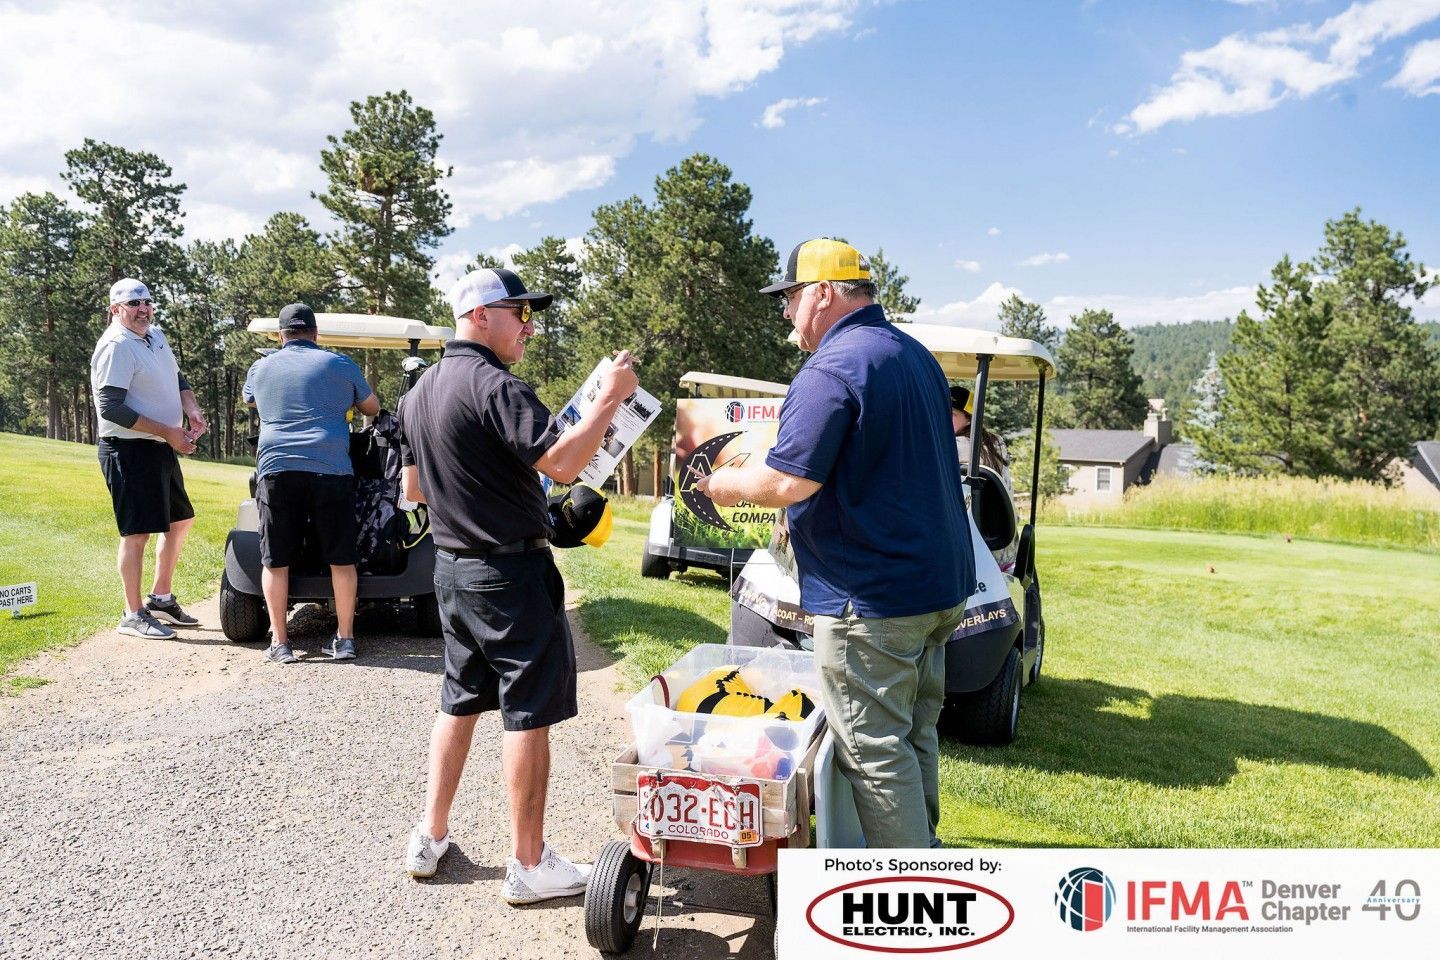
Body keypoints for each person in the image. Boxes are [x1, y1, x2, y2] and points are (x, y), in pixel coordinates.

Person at [698, 238, 975, 849]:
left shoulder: (831, 368)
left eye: (791, 298)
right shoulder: (913, 355)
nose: (787, 314)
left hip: (872, 599)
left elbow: (786, 480)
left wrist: (718, 483)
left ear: (822, 293)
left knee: (873, 751)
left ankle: (907, 899)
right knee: (913, 733)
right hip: (938, 586)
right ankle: (925, 851)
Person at [397, 267, 637, 902]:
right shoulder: (496, 386)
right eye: (518, 313)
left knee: (459, 699)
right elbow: (561, 462)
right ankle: (528, 865)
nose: (529, 325)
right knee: (527, 714)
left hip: (451, 571)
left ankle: (431, 833)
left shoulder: (419, 393)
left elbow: (412, 490)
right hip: (509, 574)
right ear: (480, 316)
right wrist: (610, 396)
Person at [242, 304, 379, 664]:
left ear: (281, 335)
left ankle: (280, 643)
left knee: (276, 559)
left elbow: (252, 400)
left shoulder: (261, 367)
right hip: (331, 467)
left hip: (277, 467)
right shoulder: (341, 364)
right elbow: (372, 407)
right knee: (341, 558)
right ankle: (345, 639)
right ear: (316, 334)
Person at [90, 278, 208, 639]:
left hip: (158, 447)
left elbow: (176, 376)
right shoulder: (116, 346)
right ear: (115, 309)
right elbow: (111, 409)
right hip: (128, 449)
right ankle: (132, 613)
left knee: (180, 520)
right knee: (136, 532)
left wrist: (191, 408)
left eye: (147, 302)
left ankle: (160, 597)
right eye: (133, 304)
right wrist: (167, 432)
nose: (143, 309)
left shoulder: (154, 335)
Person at [950, 385, 1013, 495]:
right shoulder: (994, 441)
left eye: (951, 414)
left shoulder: (956, 446)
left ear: (969, 419)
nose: (944, 417)